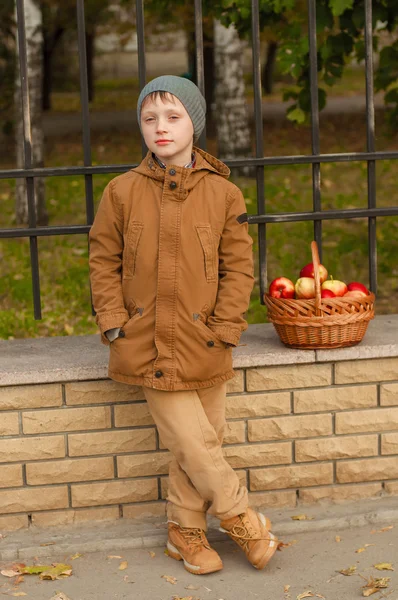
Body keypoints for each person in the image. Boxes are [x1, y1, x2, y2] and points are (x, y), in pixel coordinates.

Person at [89, 75, 278, 575]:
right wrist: (114, 324)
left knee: (200, 443)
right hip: (145, 341)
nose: (161, 128)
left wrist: (227, 328)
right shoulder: (122, 191)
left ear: (194, 122)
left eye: (173, 116)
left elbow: (239, 267)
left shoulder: (223, 193)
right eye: (150, 119)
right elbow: (102, 260)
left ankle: (184, 533)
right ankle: (243, 520)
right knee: (195, 442)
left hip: (207, 339)